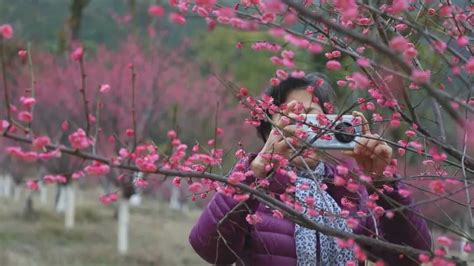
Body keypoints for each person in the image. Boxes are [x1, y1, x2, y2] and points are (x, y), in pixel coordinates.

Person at [189, 73, 431, 265]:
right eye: (293, 119)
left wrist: (384, 183)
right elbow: (210, 250)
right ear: (268, 129)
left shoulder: (348, 190)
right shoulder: (253, 184)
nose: (304, 129)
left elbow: (410, 256)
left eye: (314, 119)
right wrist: (257, 171)